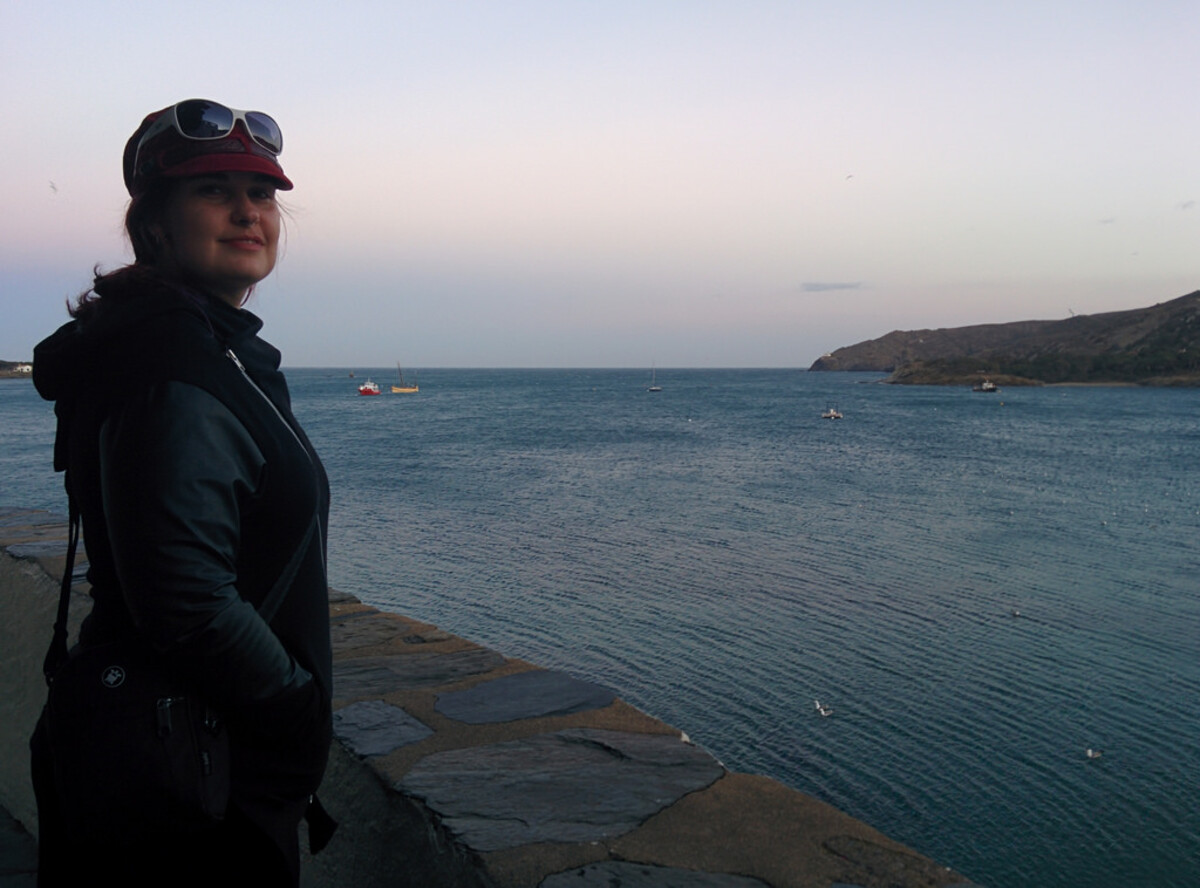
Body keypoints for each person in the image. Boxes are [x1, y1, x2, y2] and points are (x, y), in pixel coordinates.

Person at [30, 100, 333, 886]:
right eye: (212, 191)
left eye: (261, 194)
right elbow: (187, 598)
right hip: (198, 778)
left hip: (182, 752)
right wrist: (300, 714)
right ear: (155, 226)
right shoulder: (173, 361)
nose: (248, 212)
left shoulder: (191, 345)